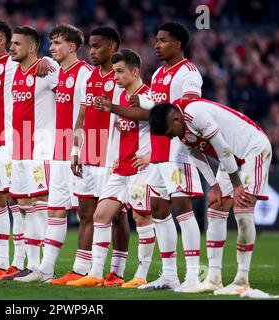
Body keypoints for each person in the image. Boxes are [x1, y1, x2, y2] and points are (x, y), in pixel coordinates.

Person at [148, 98, 272, 295]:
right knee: (215, 208)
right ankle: (214, 278)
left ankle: (242, 279)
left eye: (170, 133)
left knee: (243, 209)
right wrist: (214, 186)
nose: (171, 138)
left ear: (177, 119)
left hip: (252, 150)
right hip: (230, 158)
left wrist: (236, 184)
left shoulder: (195, 113)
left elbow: (221, 147)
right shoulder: (180, 130)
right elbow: (196, 153)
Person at [122, 22, 204, 292]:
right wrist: (145, 107)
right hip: (157, 151)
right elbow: (158, 112)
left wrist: (149, 105)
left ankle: (192, 275)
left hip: (178, 150)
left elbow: (189, 109)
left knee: (182, 209)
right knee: (158, 210)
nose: (156, 45)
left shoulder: (189, 73)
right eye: (156, 40)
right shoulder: (158, 73)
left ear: (178, 44)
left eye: (163, 40)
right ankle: (169, 275)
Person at [0, 20, 53, 280]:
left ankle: (24, 261)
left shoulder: (12, 64)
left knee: (21, 202)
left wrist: (47, 60)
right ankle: (2, 261)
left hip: (12, 141)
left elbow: (44, 65)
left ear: (4, 41)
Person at [13, 23, 93, 283]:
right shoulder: (57, 72)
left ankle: (85, 267)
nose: (52, 48)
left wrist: (79, 148)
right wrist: (46, 58)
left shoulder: (85, 73)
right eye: (51, 43)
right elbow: (44, 64)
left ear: (72, 47)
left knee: (87, 210)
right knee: (56, 210)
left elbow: (87, 113)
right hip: (58, 150)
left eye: (57, 43)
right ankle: (45, 270)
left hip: (82, 150)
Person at [70, 49, 155, 287]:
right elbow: (117, 132)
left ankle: (141, 275)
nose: (115, 77)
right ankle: (96, 274)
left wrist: (151, 154)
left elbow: (165, 129)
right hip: (120, 169)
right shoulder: (118, 97)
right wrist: (114, 157)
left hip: (142, 171)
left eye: (120, 72)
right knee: (100, 215)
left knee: (141, 217)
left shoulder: (149, 96)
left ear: (135, 71)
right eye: (114, 71)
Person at [65, 26, 130, 286]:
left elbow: (127, 117)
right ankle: (83, 270)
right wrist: (75, 150)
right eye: (90, 46)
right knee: (86, 211)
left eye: (97, 46)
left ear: (112, 48)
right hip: (89, 152)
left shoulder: (120, 77)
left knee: (117, 215)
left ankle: (117, 270)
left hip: (111, 156)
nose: (91, 51)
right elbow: (81, 116)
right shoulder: (88, 77)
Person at [0, 25, 59, 280]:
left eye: (16, 44)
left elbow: (72, 85)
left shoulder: (48, 70)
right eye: (11, 43)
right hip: (19, 146)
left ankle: (46, 267)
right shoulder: (13, 69)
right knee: (23, 205)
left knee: (40, 204)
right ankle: (32, 265)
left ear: (32, 48)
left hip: (41, 147)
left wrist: (47, 59)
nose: (11, 48)